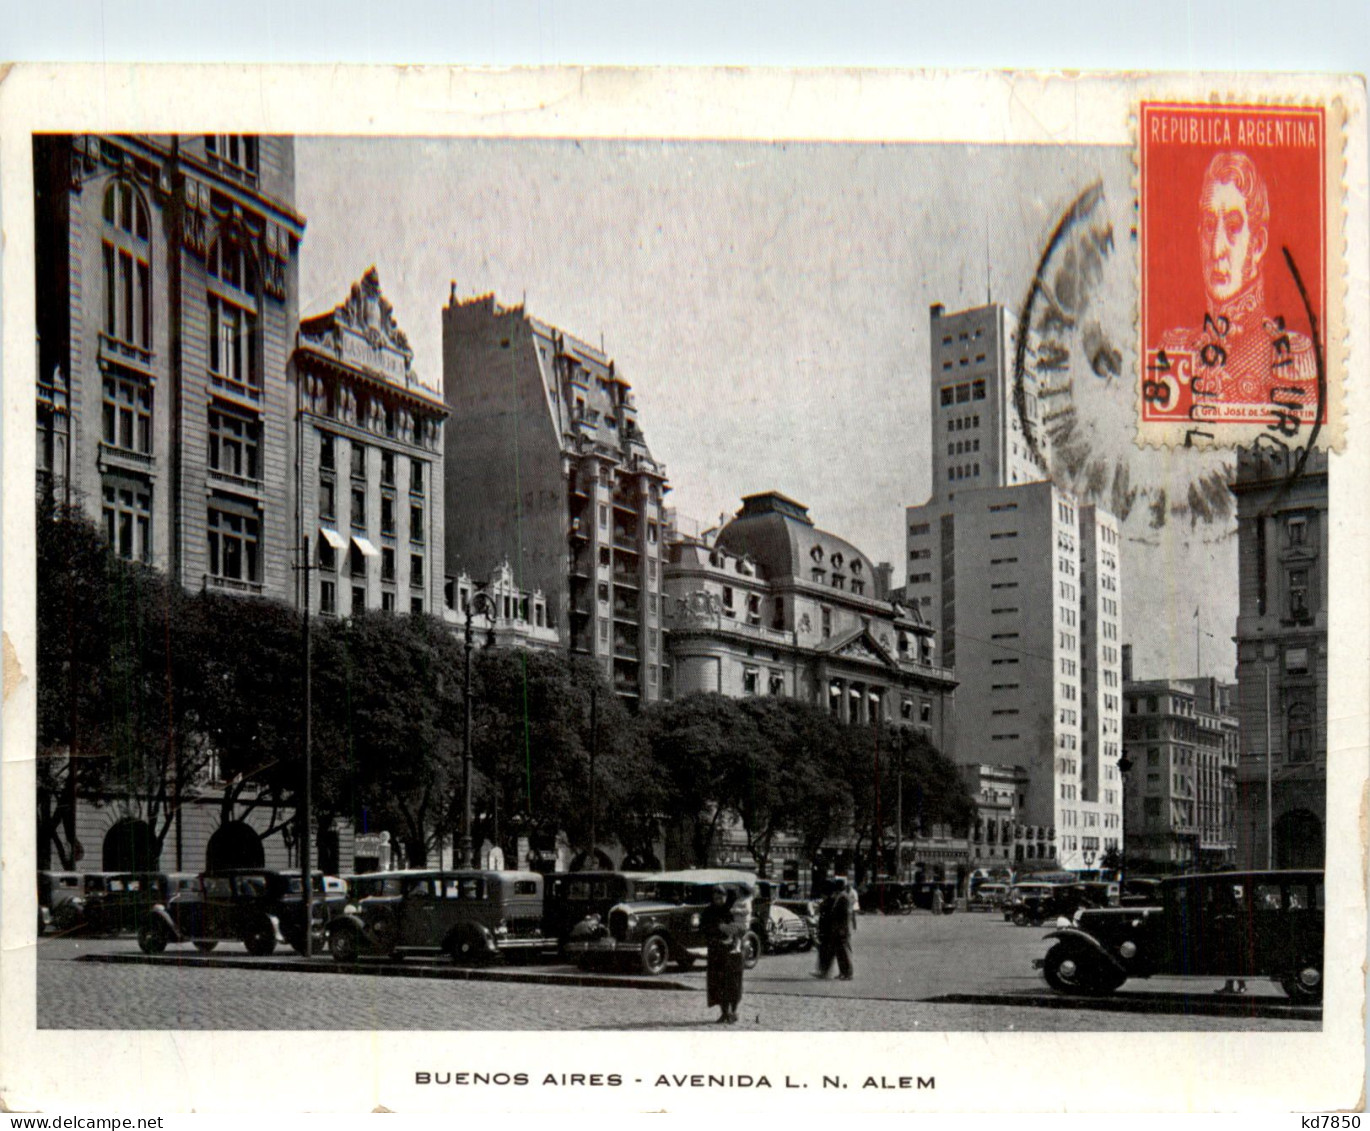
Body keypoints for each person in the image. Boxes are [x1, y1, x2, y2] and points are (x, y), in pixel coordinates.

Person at [1157, 150, 1316, 413]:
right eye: (1209, 226)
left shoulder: (1289, 358)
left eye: (1232, 227)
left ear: (1258, 244)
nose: (1217, 248)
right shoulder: (1175, 350)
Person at [700, 885, 745, 1024]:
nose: (719, 900)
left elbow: (743, 928)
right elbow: (703, 928)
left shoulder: (733, 911)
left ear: (726, 897)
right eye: (716, 897)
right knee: (718, 984)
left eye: (721, 897)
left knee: (734, 984)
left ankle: (734, 1011)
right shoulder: (708, 911)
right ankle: (724, 1012)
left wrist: (734, 931)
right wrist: (717, 927)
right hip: (716, 951)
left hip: (733, 952)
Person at [812, 877, 856, 981]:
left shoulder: (844, 897)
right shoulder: (841, 896)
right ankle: (843, 972)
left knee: (844, 952)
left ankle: (848, 973)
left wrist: (842, 928)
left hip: (842, 929)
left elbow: (845, 914)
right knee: (840, 952)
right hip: (838, 929)